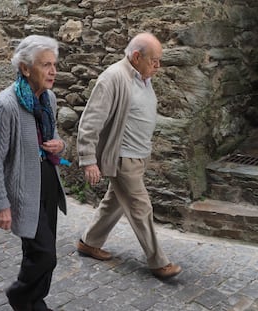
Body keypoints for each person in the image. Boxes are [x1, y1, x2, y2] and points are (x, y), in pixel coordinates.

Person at [76, 32, 182, 279]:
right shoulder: (113, 78)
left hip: (139, 156)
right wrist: (88, 159)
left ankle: (88, 241)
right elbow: (90, 121)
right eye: (154, 60)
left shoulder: (143, 77)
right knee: (140, 207)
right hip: (123, 157)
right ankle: (158, 262)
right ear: (136, 56)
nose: (158, 66)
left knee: (114, 203)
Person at [0, 35, 67, 311]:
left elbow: (51, 137)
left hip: (48, 184)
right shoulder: (6, 105)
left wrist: (59, 144)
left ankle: (35, 301)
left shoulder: (49, 99)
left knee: (37, 252)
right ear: (24, 68)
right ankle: (20, 295)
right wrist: (1, 205)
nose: (53, 71)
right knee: (45, 255)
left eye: (54, 64)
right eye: (46, 65)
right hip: (23, 191)